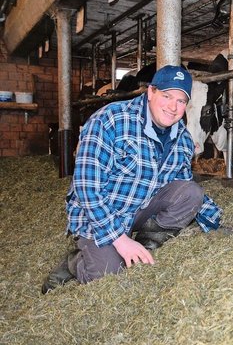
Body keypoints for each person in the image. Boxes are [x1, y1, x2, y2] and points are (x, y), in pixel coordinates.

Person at [42, 65, 222, 293]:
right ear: (150, 92)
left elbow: (183, 182)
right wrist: (120, 240)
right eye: (166, 96)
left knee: (192, 192)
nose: (173, 107)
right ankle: (74, 264)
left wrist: (215, 222)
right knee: (108, 276)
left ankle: (145, 248)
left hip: (138, 207)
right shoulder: (110, 121)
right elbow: (87, 189)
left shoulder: (182, 139)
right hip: (98, 214)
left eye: (181, 101)